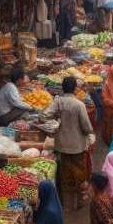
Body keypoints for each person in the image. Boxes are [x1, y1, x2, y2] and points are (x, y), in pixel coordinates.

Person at [45, 77, 94, 206]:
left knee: (65, 173)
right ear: (74, 88)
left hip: (62, 144)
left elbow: (44, 115)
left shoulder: (58, 102)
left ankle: (66, 203)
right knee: (79, 173)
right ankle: (79, 201)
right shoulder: (79, 104)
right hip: (77, 145)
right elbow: (87, 127)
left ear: (63, 88)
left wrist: (57, 120)